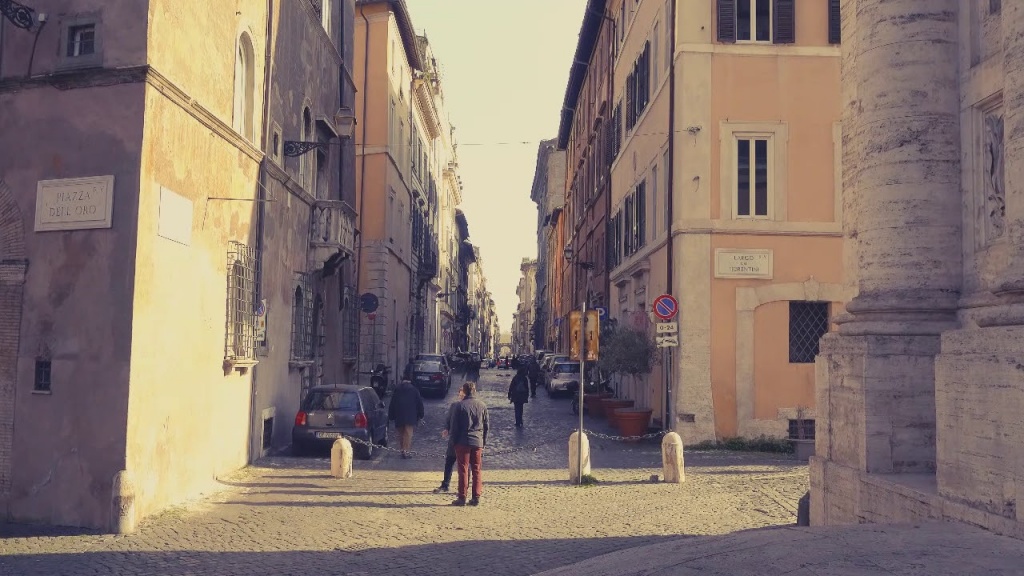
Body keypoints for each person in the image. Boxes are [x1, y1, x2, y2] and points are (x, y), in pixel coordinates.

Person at [449, 381, 489, 506]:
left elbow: (454, 427)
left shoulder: (460, 406)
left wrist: (453, 442)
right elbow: (486, 426)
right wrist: (483, 442)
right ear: (474, 391)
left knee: (463, 470)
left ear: (464, 391)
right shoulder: (482, 405)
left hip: (462, 441)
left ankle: (462, 497)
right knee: (477, 469)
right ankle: (476, 496)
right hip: (477, 441)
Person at [433, 387, 466, 493]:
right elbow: (448, 419)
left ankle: (464, 487)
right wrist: (446, 429)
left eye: (463, 395)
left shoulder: (470, 406)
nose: (461, 397)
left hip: (464, 440)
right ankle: (445, 484)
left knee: (464, 466)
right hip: (453, 439)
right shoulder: (454, 405)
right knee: (449, 462)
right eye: (460, 394)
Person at [387, 378, 424, 459]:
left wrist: (391, 415)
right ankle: (406, 451)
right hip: (410, 416)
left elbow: (392, 403)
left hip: (399, 415)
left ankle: (402, 450)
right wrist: (421, 415)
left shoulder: (397, 390)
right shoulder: (414, 390)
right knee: (408, 434)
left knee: (401, 434)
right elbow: (419, 403)